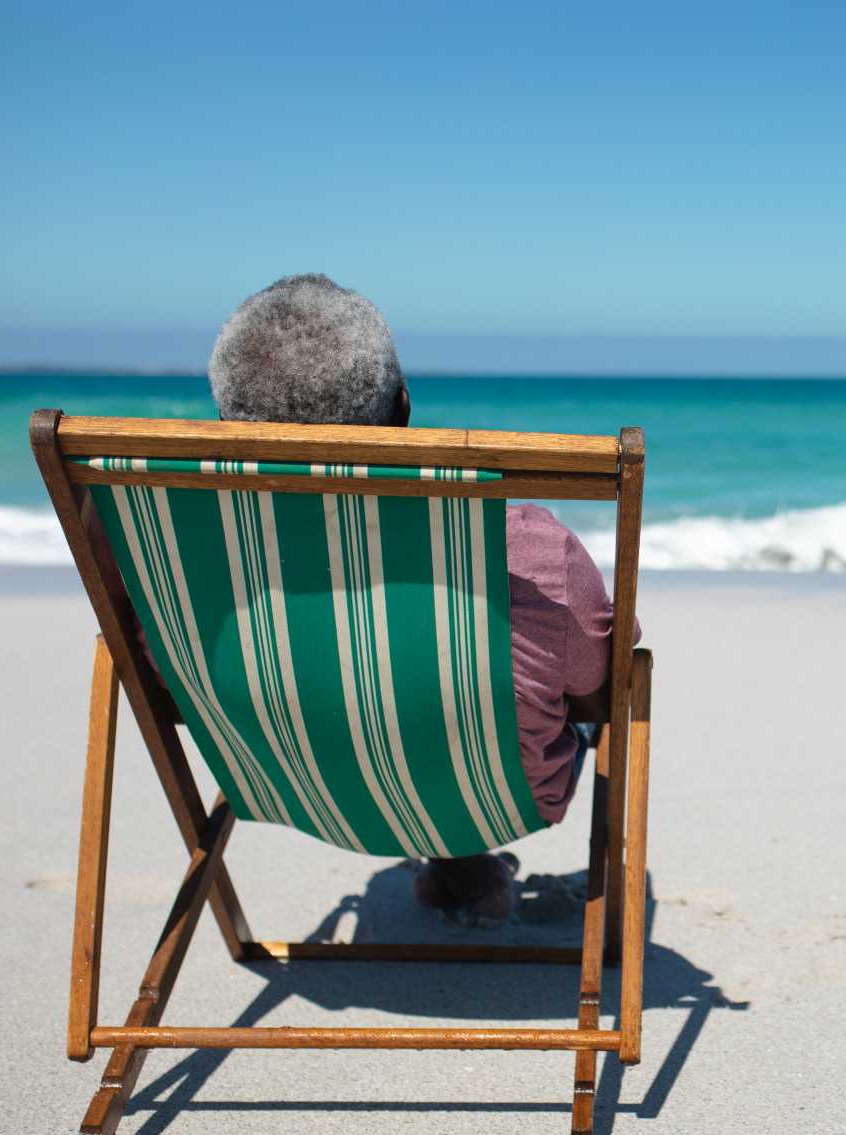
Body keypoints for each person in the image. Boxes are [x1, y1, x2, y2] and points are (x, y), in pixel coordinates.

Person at [204, 273, 627, 924]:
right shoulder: (529, 555)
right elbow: (599, 679)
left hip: (291, 784)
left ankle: (463, 869)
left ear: (226, 424)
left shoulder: (182, 557)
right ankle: (460, 852)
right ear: (402, 411)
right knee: (540, 688)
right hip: (498, 798)